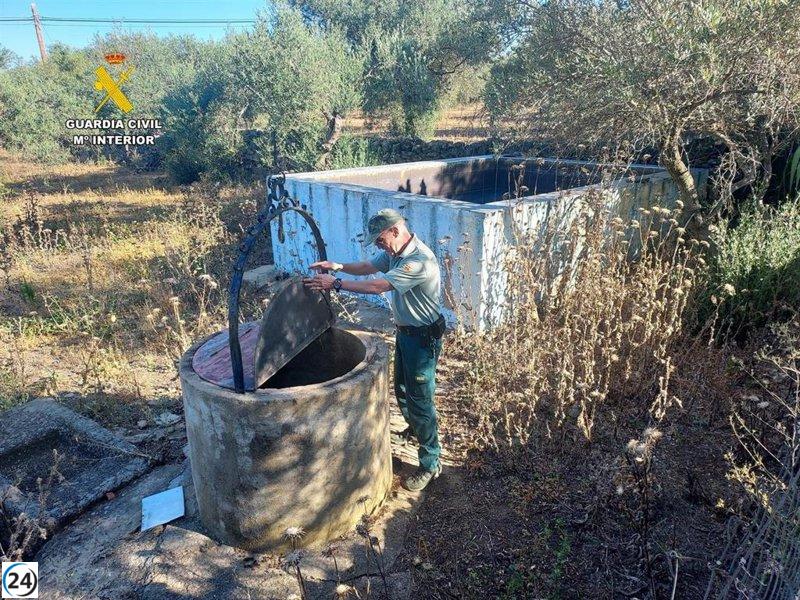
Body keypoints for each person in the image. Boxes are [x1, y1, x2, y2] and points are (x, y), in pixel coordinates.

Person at [302, 208, 445, 492]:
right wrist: (337, 266)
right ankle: (415, 429)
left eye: (380, 239)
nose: (379, 246)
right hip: (406, 332)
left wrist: (336, 284)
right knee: (402, 388)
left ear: (395, 230)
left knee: (420, 399)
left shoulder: (418, 261)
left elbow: (378, 285)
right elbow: (368, 267)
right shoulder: (394, 252)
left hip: (422, 338)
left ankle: (431, 462)